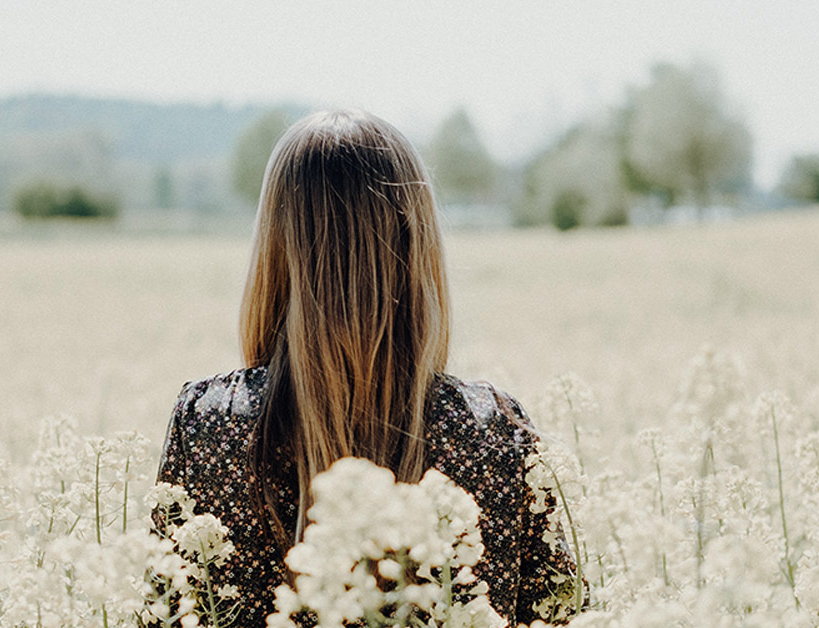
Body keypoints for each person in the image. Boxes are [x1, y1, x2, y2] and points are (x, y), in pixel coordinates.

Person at [154, 109, 581, 627]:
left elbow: (164, 614)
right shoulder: (495, 431)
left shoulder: (207, 425)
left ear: (273, 251)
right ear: (418, 250)